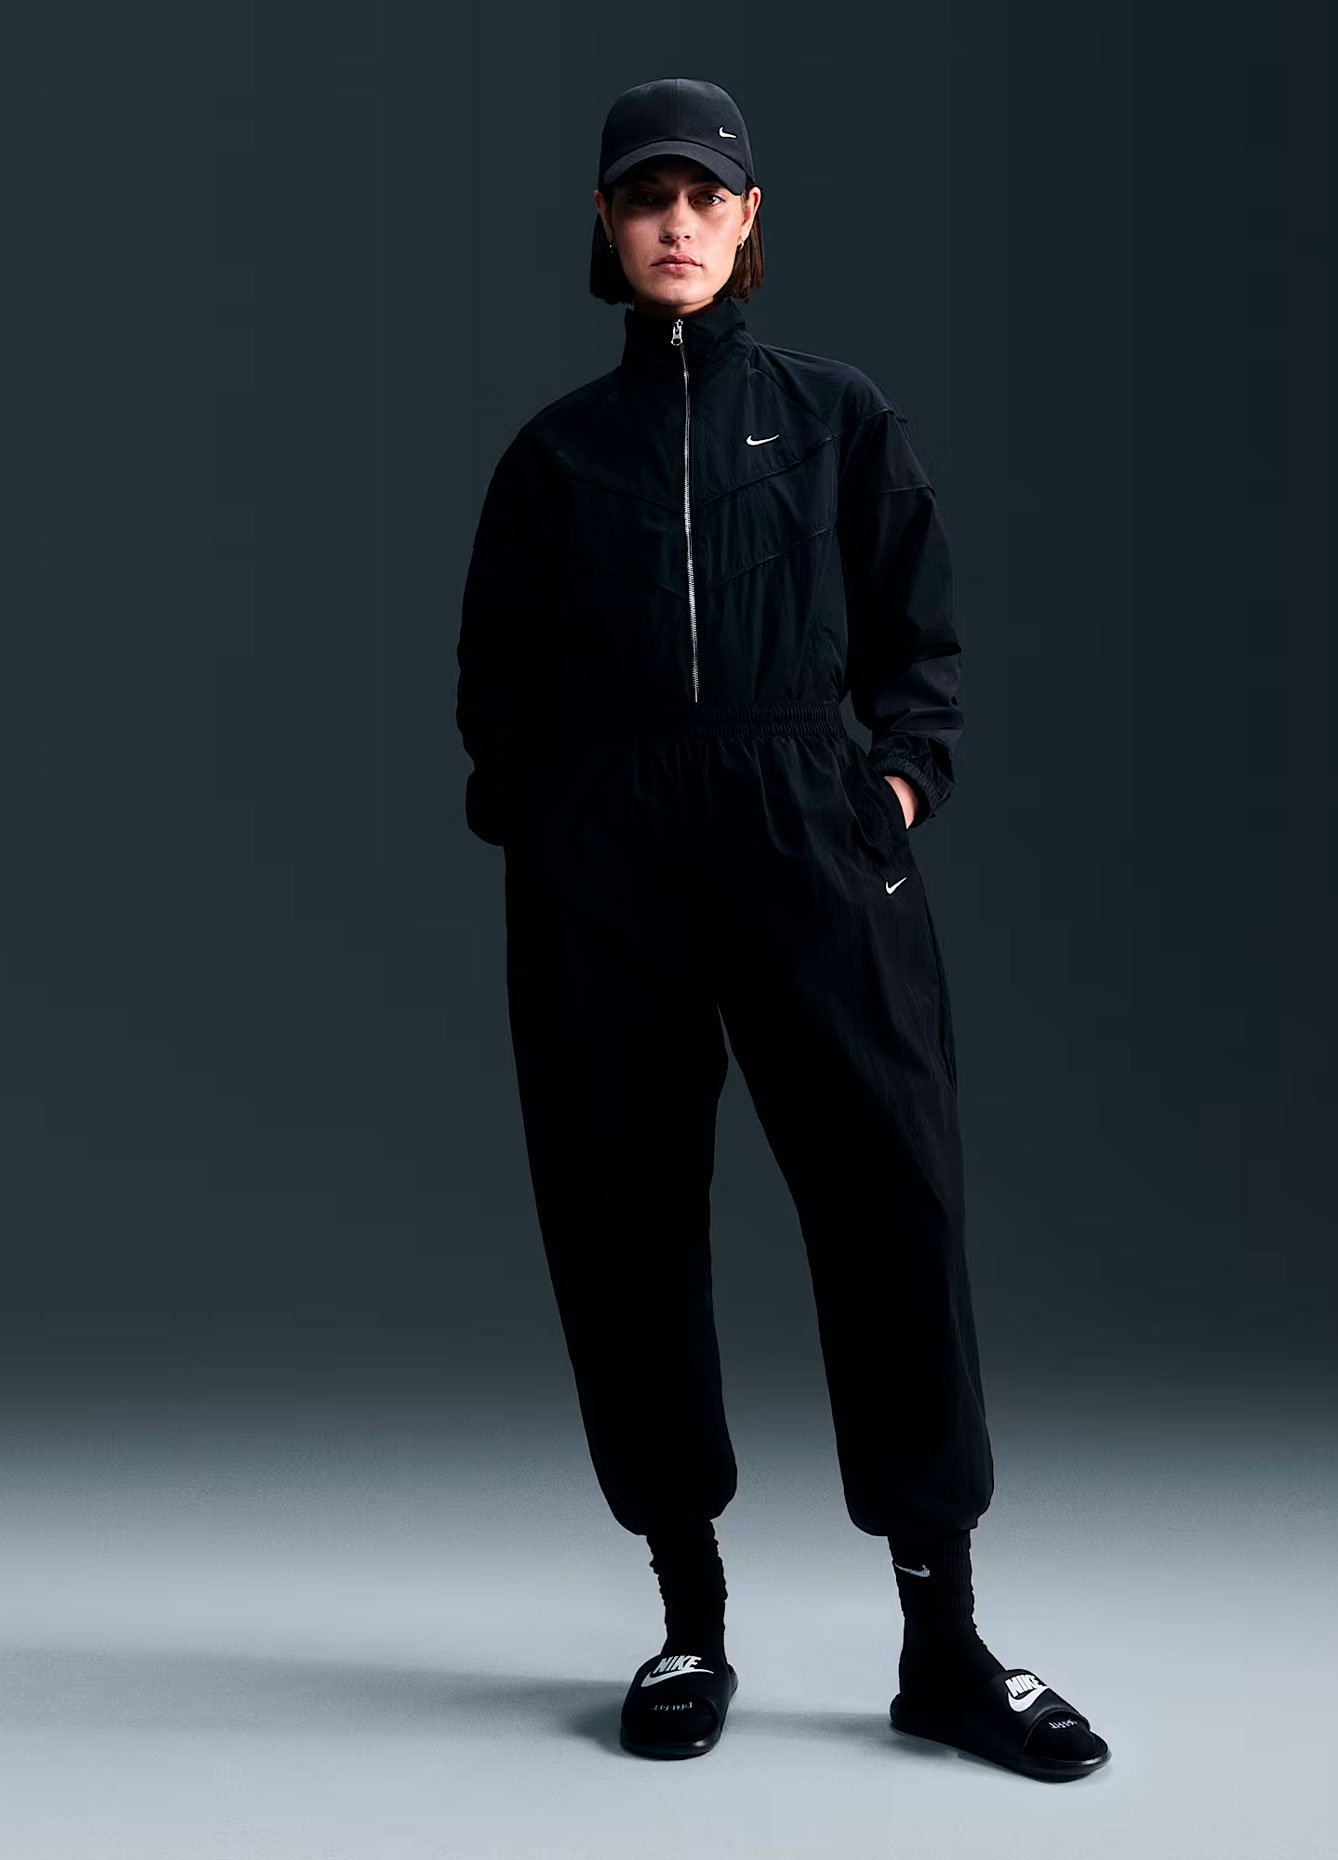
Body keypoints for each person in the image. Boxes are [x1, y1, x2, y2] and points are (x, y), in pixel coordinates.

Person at [455, 76, 1110, 1782]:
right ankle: (690, 1618)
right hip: (612, 874)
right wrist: (556, 825)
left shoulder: (835, 418)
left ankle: (943, 1642)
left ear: (750, 222)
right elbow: (495, 684)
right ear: (606, 227)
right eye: (644, 197)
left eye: (705, 196)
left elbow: (922, 641)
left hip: (807, 841)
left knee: (894, 1200)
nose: (675, 222)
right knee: (622, 1219)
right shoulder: (555, 456)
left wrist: (890, 792)